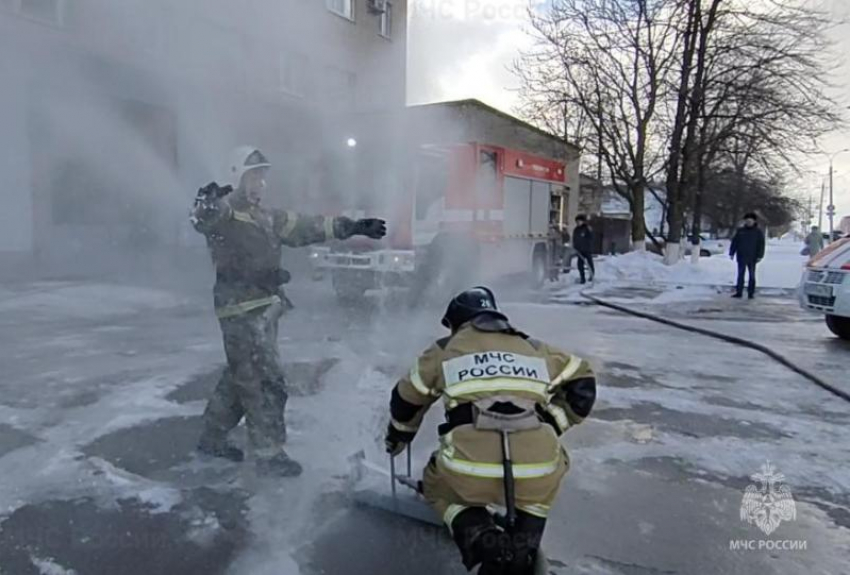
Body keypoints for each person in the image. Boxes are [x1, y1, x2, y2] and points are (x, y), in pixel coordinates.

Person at [191, 146, 386, 476]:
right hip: (239, 309)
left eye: (262, 177)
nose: (259, 184)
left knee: (240, 377)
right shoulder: (225, 211)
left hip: (264, 308)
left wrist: (351, 226)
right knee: (267, 381)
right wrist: (205, 204)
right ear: (235, 176)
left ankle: (212, 438)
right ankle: (268, 454)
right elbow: (203, 221)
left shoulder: (266, 217)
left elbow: (306, 226)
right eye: (252, 176)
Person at [384, 287, 597, 574]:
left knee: (436, 483)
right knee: (543, 482)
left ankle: (479, 535)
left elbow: (406, 399)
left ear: (457, 322)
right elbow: (583, 384)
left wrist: (399, 436)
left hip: (468, 469)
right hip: (537, 469)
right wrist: (550, 423)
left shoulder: (445, 349)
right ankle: (525, 542)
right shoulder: (535, 348)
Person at [729, 212, 766, 300]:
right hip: (741, 256)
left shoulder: (758, 232)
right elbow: (735, 242)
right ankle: (739, 292)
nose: (749, 222)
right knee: (740, 275)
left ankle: (751, 293)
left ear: (754, 221)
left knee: (752, 276)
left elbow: (761, 244)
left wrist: (760, 256)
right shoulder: (741, 231)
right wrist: (731, 252)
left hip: (752, 257)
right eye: (747, 220)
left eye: (750, 220)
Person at [572, 215, 595, 284]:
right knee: (580, 265)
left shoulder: (587, 228)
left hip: (587, 249)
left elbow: (591, 238)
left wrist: (587, 245)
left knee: (589, 263)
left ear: (583, 221)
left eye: (579, 221)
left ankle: (591, 275)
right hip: (579, 250)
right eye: (577, 221)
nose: (578, 223)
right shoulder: (576, 229)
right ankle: (582, 278)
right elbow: (574, 239)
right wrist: (575, 247)